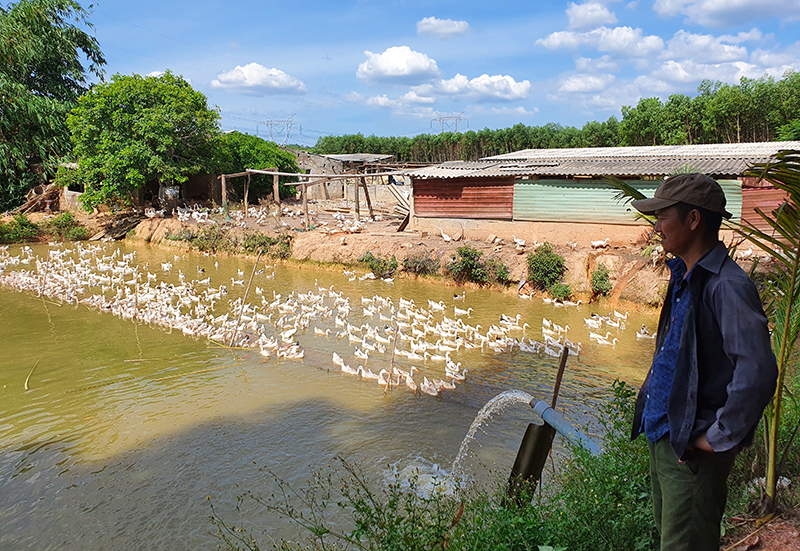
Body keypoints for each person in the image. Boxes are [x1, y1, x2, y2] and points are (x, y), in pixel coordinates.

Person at [630, 173, 778, 551]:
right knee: (672, 539)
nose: (656, 227)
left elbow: (757, 371)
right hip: (669, 439)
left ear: (693, 220)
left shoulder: (726, 286)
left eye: (663, 216)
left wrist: (717, 437)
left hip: (693, 454)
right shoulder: (686, 276)